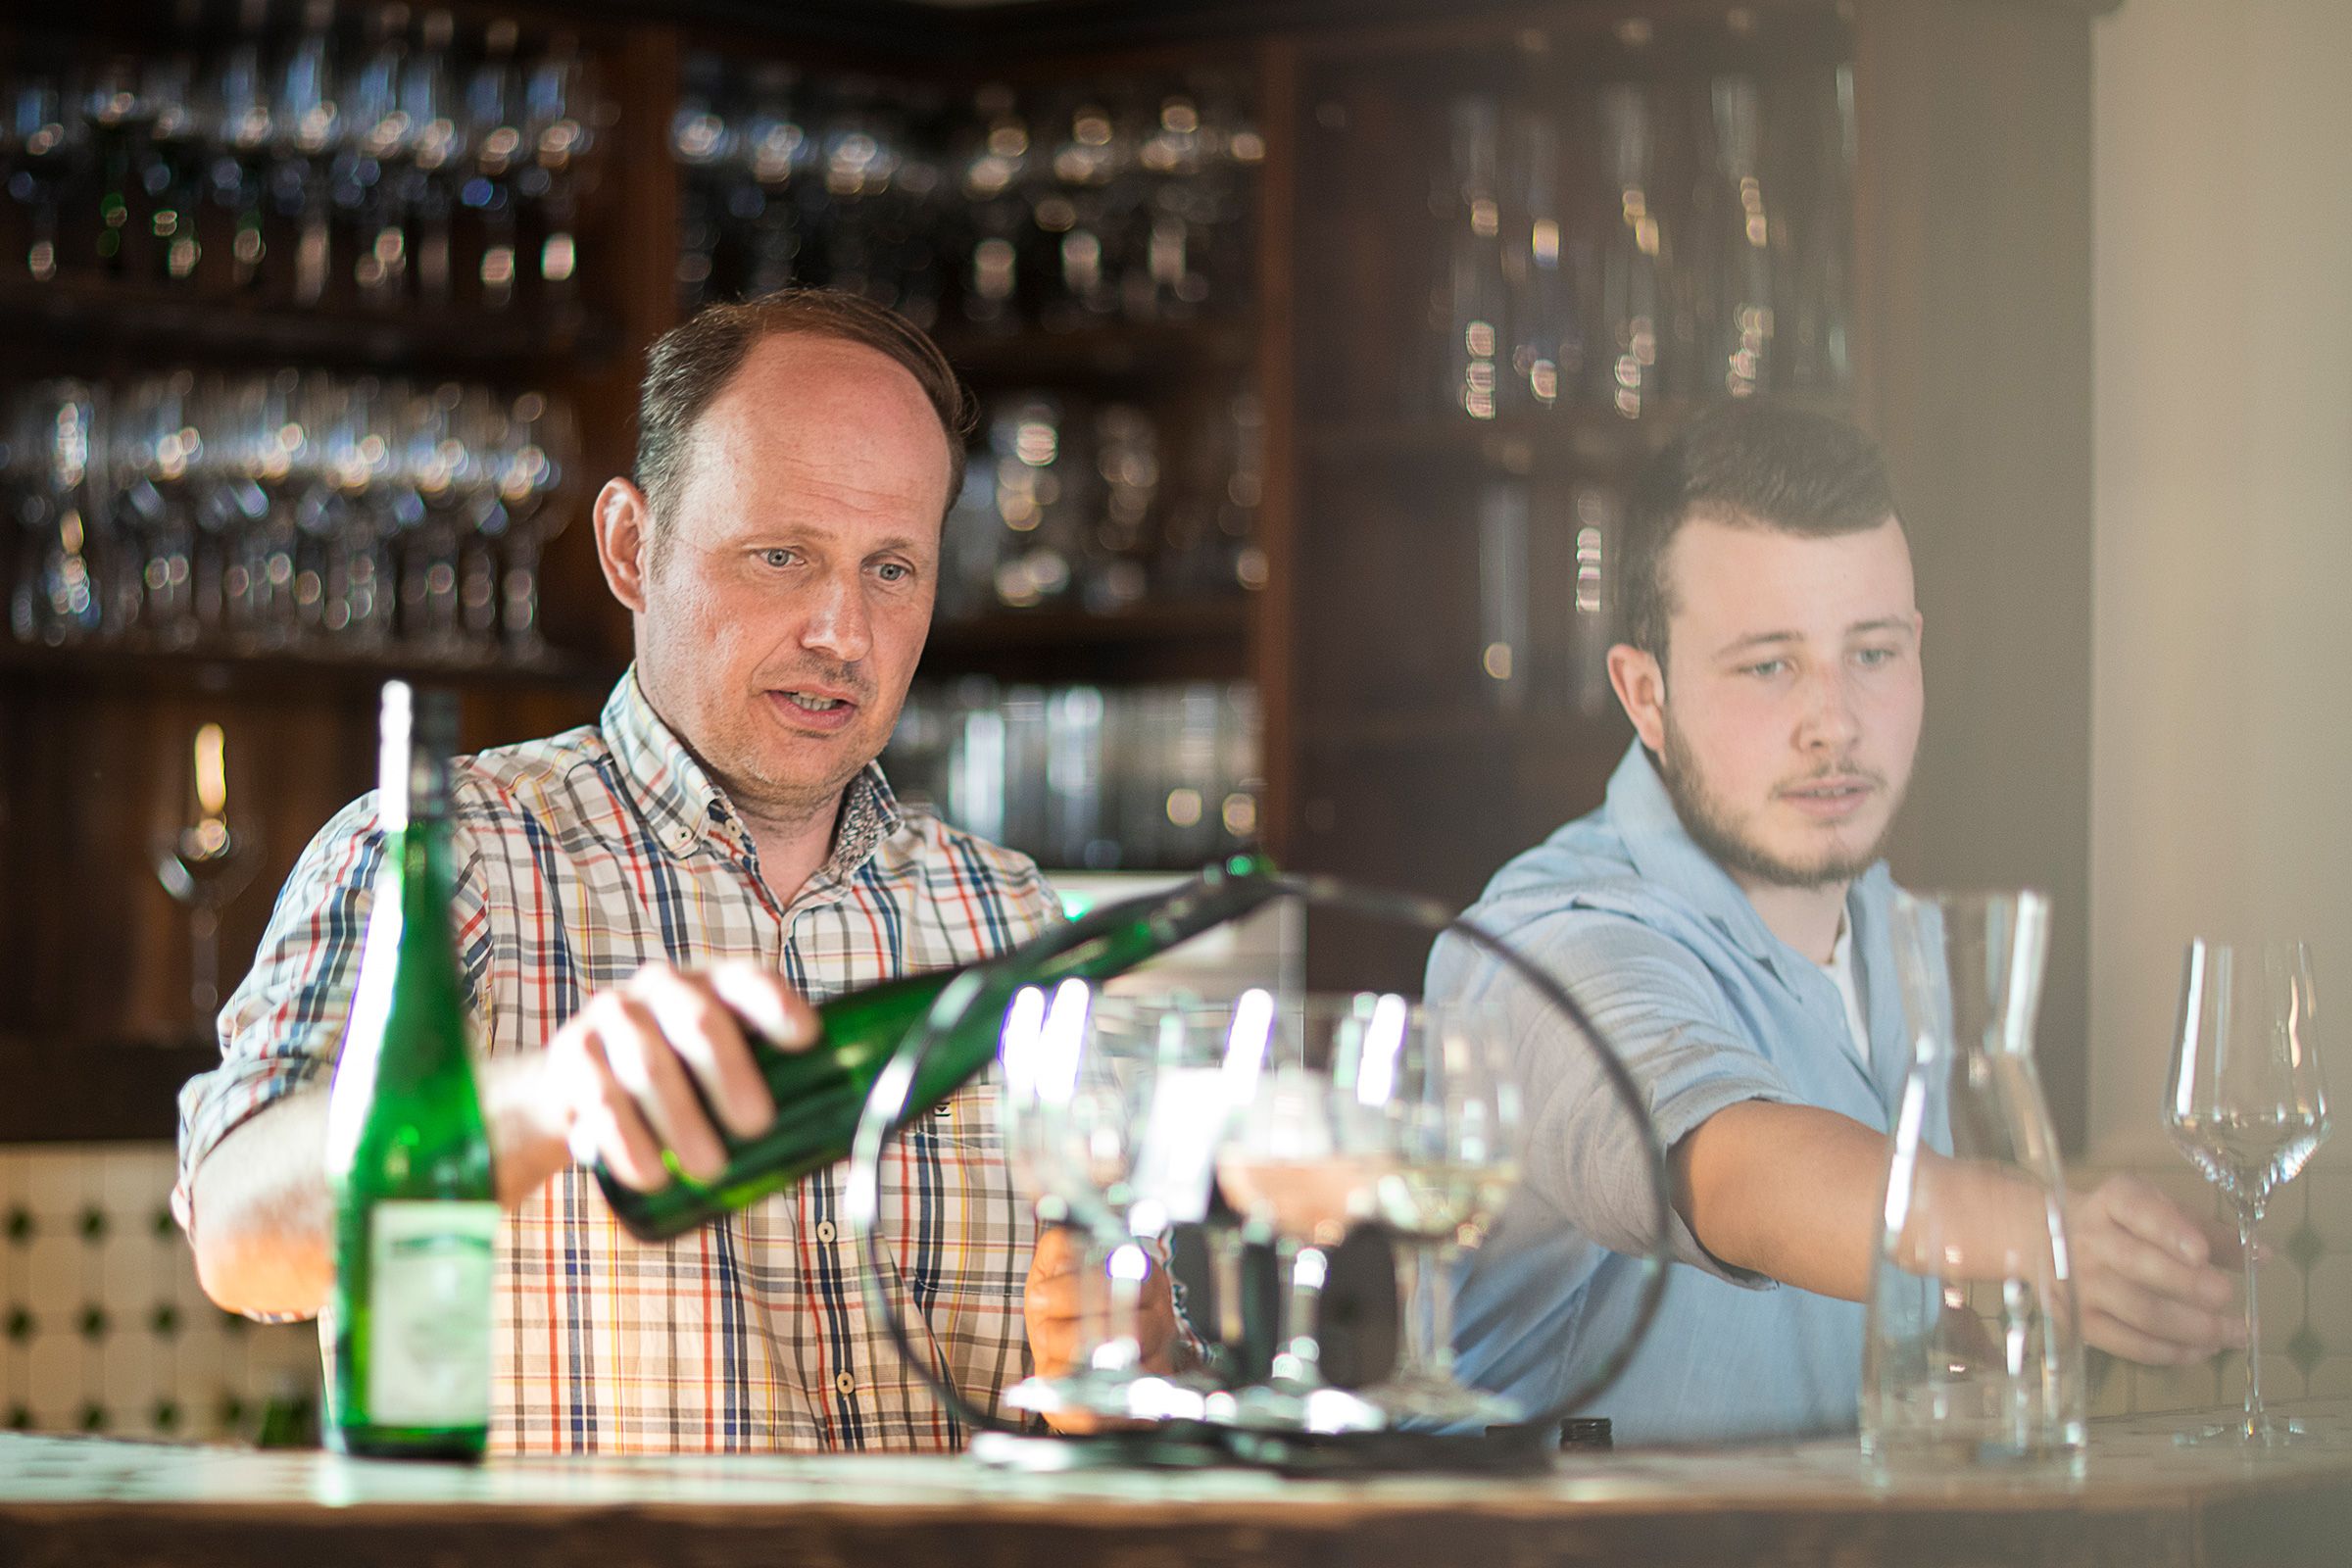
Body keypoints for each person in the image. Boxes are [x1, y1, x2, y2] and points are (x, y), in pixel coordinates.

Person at [174, 289, 1175, 1454]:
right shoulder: (446, 858)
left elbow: (1144, 1380)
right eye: (781, 556)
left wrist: (1141, 1360)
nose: (842, 632)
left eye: (892, 569)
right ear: (630, 548)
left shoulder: (1012, 917)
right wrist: (550, 1096)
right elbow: (242, 1236)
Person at [1428, 404, 2242, 1446]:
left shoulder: (1902, 936)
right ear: (1645, 695)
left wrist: (2127, 1272)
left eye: (1873, 653)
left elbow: (1903, 1304)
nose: (1836, 722)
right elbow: (1736, 1175)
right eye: (1769, 664)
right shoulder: (1550, 943)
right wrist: (2032, 1231)